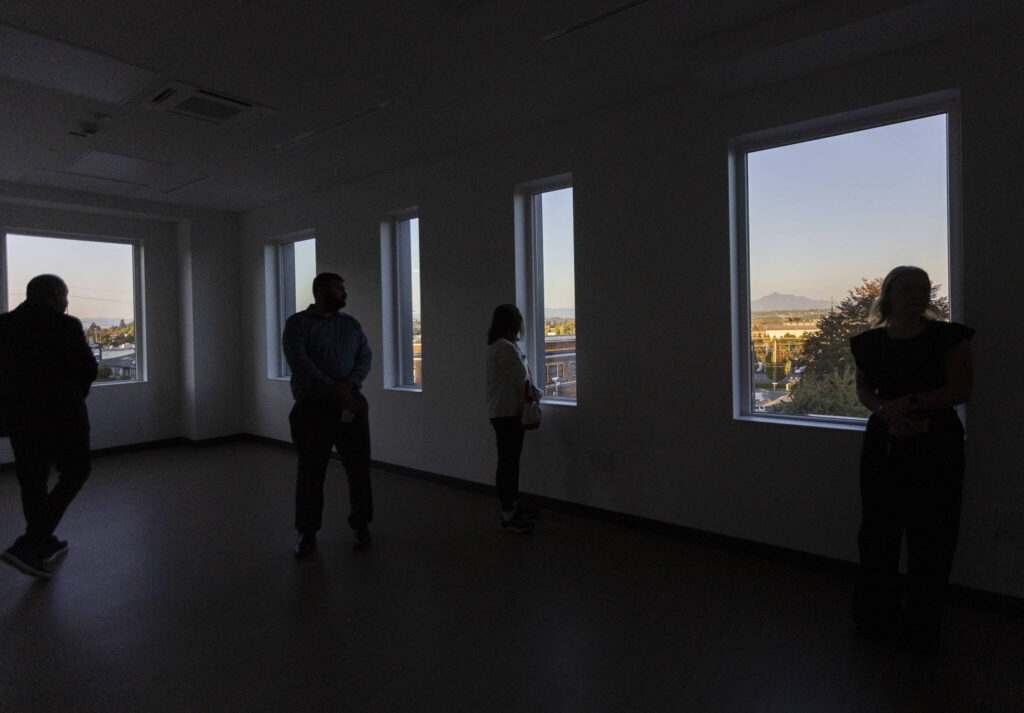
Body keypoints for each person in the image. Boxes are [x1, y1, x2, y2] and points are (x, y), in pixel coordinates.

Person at [849, 265, 974, 653]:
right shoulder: (868, 343)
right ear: (888, 294)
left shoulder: (950, 337)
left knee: (933, 536)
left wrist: (907, 404)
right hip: (885, 441)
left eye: (923, 289)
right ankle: (877, 619)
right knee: (878, 532)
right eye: (908, 289)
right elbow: (864, 391)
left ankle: (922, 627)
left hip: (937, 445)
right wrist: (888, 412)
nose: (918, 296)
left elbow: (961, 390)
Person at [0, 274, 98, 578]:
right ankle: (30, 543)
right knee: (76, 471)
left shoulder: (4, 324)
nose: (67, 302)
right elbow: (87, 368)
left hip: (19, 418)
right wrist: (73, 396)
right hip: (63, 416)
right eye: (65, 296)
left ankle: (42, 542)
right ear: (55, 295)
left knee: (32, 480)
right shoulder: (65, 325)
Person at [283, 272, 373, 556]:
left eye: (343, 288)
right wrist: (334, 390)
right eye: (338, 288)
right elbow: (300, 363)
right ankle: (307, 533)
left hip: (350, 405)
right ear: (320, 291)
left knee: (359, 469)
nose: (344, 293)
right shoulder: (297, 324)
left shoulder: (351, 324)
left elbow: (365, 357)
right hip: (312, 409)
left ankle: (362, 526)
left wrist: (348, 385)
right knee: (311, 472)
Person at [486, 304, 542, 533]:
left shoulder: (501, 347)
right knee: (508, 463)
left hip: (505, 412)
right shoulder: (505, 348)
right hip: (507, 413)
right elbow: (522, 379)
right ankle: (508, 514)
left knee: (509, 461)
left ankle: (512, 506)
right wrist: (538, 395)